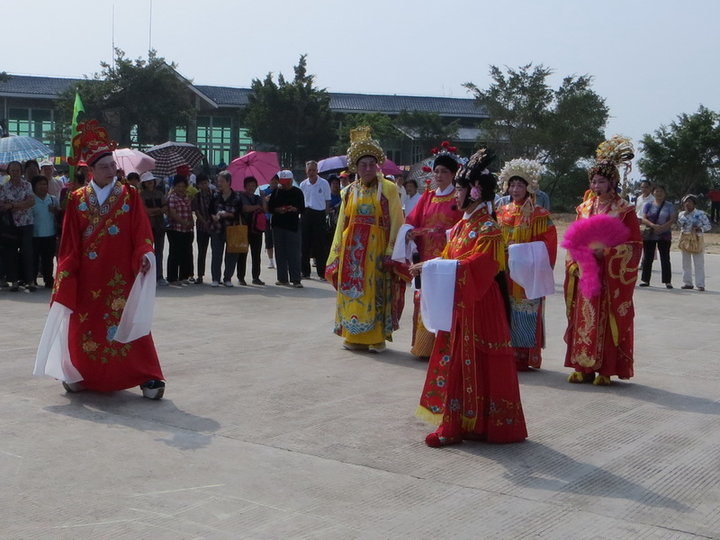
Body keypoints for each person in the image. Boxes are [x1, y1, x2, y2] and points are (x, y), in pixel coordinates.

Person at [34, 120, 165, 399]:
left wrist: (144, 254)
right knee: (85, 325)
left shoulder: (129, 195)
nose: (111, 171)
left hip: (120, 276)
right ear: (90, 170)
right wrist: (66, 272)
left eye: (112, 166)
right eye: (103, 166)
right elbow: (69, 241)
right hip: (88, 276)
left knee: (128, 324)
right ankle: (80, 373)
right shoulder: (77, 198)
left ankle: (146, 375)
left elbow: (142, 231)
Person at [412, 148, 527, 447]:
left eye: (460, 189)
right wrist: (431, 269)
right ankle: (459, 421)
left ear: (475, 192)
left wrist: (431, 266)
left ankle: (471, 424)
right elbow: (449, 258)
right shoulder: (464, 225)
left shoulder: (488, 229)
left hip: (481, 306)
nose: (456, 195)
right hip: (462, 304)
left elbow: (480, 267)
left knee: (472, 361)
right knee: (456, 363)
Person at [564, 136, 641, 386]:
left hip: (608, 275)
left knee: (605, 319)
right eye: (594, 181)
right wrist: (576, 260)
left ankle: (605, 369)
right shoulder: (584, 208)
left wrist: (607, 254)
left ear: (612, 183)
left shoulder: (624, 210)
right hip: (586, 272)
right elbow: (572, 239)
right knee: (583, 319)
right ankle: (581, 367)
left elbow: (634, 245)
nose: (596, 185)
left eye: (602, 181)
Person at [326, 127, 408, 353]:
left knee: (375, 293)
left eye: (372, 164)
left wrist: (391, 251)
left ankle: (376, 337)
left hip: (376, 251)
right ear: (356, 167)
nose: (369, 168)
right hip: (352, 252)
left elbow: (396, 220)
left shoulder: (389, 189)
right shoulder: (349, 191)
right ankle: (352, 335)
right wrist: (338, 251)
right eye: (364, 165)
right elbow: (343, 221)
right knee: (353, 294)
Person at [396, 143, 463, 358]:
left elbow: (463, 227)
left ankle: (444, 348)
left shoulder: (459, 199)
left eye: (445, 171)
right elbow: (411, 220)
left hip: (446, 259)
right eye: (437, 171)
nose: (440, 175)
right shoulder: (428, 196)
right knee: (423, 299)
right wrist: (408, 232)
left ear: (453, 174)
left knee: (444, 301)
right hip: (425, 257)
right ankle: (423, 346)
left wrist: (443, 233)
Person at [496, 159, 557, 371]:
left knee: (525, 309)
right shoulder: (501, 212)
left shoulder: (539, 214)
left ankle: (524, 356)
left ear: (529, 187)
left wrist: (522, 251)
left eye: (520, 185)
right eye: (512, 185)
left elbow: (547, 244)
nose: (515, 189)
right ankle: (506, 352)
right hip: (505, 270)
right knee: (505, 309)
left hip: (527, 273)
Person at [0, 160, 35, 291]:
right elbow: (3, 205)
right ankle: (14, 281)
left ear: (21, 172)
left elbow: (31, 202)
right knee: (11, 253)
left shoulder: (27, 185)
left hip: (26, 223)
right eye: (13, 170)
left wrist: (13, 205)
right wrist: (21, 204)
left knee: (27, 252)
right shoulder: (4, 187)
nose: (15, 173)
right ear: (9, 172)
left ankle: (29, 281)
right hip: (10, 225)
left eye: (18, 170)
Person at [268, 170, 305, 288]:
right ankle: (282, 278)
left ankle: (296, 279)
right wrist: (278, 210)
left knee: (294, 253)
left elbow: (302, 208)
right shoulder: (276, 192)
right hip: (278, 225)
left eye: (286, 182)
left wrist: (294, 209)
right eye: (282, 182)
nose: (284, 185)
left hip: (292, 226)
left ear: (291, 180)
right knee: (280, 252)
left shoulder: (297, 192)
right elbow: (270, 207)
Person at [209, 170, 243, 287]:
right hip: (217, 229)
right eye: (218, 181)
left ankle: (227, 278)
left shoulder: (237, 196)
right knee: (216, 255)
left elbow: (239, 213)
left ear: (229, 182)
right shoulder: (215, 195)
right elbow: (210, 211)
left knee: (231, 255)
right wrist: (214, 216)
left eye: (222, 181)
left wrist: (228, 214)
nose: (219, 183)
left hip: (232, 230)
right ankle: (215, 278)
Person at [299, 160, 331, 280]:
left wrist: (325, 214)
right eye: (309, 170)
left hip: (319, 214)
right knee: (304, 244)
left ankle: (322, 272)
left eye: (313, 170)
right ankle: (305, 271)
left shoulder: (324, 183)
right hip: (306, 213)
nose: (311, 172)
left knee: (320, 245)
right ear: (306, 171)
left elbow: (328, 200)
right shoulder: (303, 184)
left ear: (317, 171)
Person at [639, 185, 676, 289]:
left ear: (664, 193)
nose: (659, 193)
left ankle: (667, 281)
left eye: (661, 191)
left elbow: (672, 219)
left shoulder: (669, 205)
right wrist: (653, 225)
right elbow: (643, 218)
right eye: (657, 191)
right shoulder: (648, 204)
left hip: (664, 235)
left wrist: (663, 227)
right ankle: (645, 280)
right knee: (648, 258)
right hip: (650, 234)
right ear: (653, 192)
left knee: (665, 258)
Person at [139, 172, 168, 286]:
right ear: (144, 183)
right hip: (148, 227)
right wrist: (159, 209)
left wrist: (155, 210)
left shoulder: (160, 193)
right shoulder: (141, 195)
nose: (150, 182)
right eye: (147, 181)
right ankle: (147, 275)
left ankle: (159, 275)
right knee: (148, 252)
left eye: (151, 180)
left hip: (160, 225)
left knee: (159, 252)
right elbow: (146, 211)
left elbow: (165, 207)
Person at [677, 194, 711, 291]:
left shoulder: (701, 213)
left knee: (699, 262)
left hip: (697, 238)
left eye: (690, 202)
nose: (687, 204)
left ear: (694, 203)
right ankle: (687, 283)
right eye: (685, 202)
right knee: (685, 262)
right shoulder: (681, 214)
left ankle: (700, 284)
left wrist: (700, 229)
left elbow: (708, 226)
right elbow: (679, 225)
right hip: (685, 238)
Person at [30, 175, 59, 289]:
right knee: (34, 258)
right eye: (40, 184)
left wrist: (55, 210)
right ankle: (32, 279)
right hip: (34, 234)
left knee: (48, 259)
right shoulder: (31, 200)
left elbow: (59, 213)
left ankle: (48, 279)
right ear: (34, 186)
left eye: (45, 184)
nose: (43, 187)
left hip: (50, 234)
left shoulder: (52, 199)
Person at [166, 175, 194, 287]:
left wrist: (191, 223)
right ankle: (172, 277)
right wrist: (184, 222)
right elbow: (173, 213)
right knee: (174, 253)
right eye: (178, 186)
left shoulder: (187, 197)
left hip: (187, 230)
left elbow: (190, 211)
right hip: (175, 229)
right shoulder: (172, 197)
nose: (181, 188)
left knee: (185, 253)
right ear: (174, 186)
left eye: (183, 186)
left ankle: (183, 276)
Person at [237, 176, 265, 286]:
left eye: (253, 186)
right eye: (249, 186)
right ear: (245, 186)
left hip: (256, 229)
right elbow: (245, 208)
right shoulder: (240, 196)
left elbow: (265, 209)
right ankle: (241, 277)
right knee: (242, 253)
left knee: (256, 254)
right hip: (244, 228)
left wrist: (263, 198)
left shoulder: (258, 197)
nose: (251, 188)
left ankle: (256, 277)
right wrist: (257, 206)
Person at [191, 173, 213, 284]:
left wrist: (211, 221)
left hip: (214, 226)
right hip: (201, 227)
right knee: (201, 252)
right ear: (198, 185)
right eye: (202, 184)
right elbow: (197, 211)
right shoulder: (197, 196)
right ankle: (200, 275)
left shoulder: (214, 194)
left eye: (206, 183)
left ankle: (216, 275)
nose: (205, 185)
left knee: (216, 252)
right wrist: (204, 222)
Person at [261, 175, 278, 269]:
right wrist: (265, 199)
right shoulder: (265, 192)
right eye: (272, 181)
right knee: (268, 240)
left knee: (278, 241)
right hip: (267, 219)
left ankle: (279, 259)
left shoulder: (280, 191)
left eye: (276, 182)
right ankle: (271, 260)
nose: (274, 184)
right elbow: (263, 206)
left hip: (277, 219)